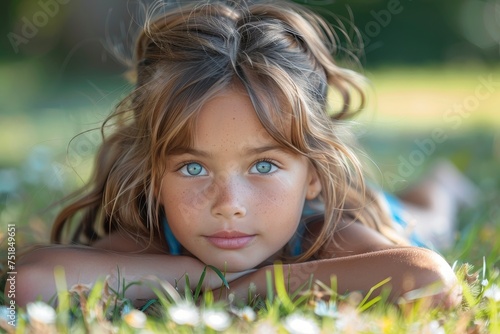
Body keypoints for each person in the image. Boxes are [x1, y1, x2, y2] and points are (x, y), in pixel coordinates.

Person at [10, 0, 465, 309]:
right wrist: (194, 274)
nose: (228, 203)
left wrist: (263, 284)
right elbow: (25, 281)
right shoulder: (157, 239)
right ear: (153, 176)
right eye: (192, 167)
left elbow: (431, 279)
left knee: (429, 217)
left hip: (376, 213)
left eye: (264, 165)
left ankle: (442, 184)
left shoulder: (325, 234)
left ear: (311, 174)